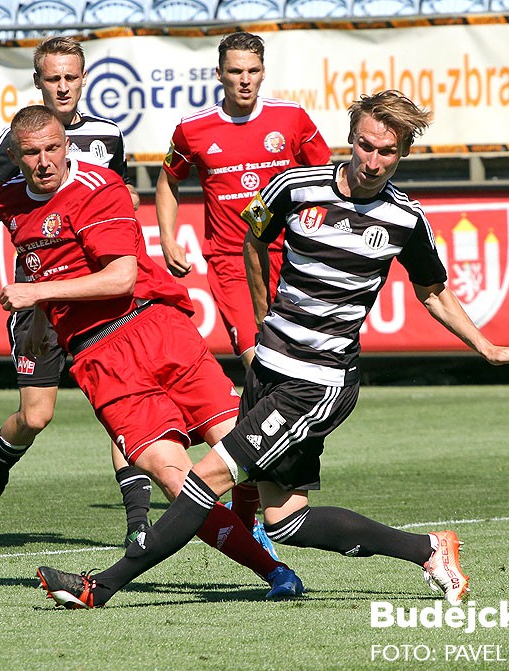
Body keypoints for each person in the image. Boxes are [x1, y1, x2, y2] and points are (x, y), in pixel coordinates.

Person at [36, 90, 509, 610]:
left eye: (387, 151)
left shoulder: (406, 220)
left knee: (204, 478)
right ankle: (428, 549)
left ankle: (100, 587)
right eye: (365, 145)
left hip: (317, 384)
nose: (372, 161)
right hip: (268, 368)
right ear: (350, 138)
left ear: (404, 152)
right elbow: (253, 241)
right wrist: (261, 320)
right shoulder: (294, 187)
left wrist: (487, 347)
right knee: (286, 520)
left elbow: (433, 292)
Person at [0, 104, 304, 600]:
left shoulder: (100, 188)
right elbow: (40, 259)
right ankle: (275, 573)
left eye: (53, 148)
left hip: (155, 328)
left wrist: (37, 296)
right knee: (176, 480)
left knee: (244, 446)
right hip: (99, 360)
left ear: (67, 145)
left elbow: (121, 277)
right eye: (32, 153)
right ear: (14, 156)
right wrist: (41, 320)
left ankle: (254, 523)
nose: (45, 161)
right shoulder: (10, 200)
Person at [0, 36, 151, 544]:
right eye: (53, 78)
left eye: (70, 77)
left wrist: (108, 196)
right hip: (38, 295)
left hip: (97, 294)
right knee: (36, 415)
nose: (62, 86)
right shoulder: (14, 140)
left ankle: (138, 524)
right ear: (38, 81)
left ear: (83, 79)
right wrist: (29, 199)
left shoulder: (108, 135)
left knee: (122, 408)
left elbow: (120, 198)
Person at [157, 30, 331, 547]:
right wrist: (168, 237)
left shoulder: (292, 120)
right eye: (235, 71)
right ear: (219, 74)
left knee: (281, 383)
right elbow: (168, 180)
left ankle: (256, 498)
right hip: (233, 264)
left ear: (263, 72)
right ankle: (256, 507)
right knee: (263, 368)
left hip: (291, 261)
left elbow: (325, 177)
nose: (244, 80)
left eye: (252, 70)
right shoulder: (193, 129)